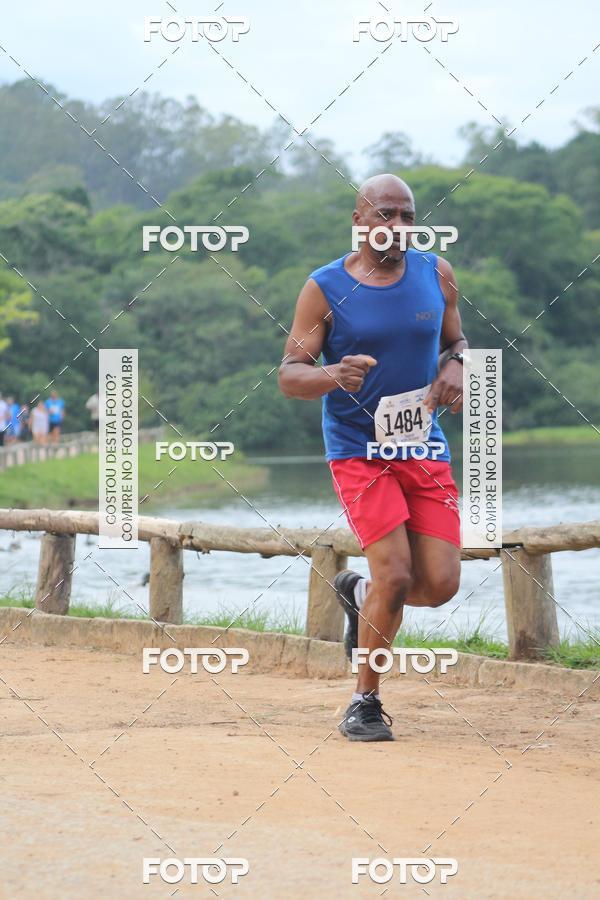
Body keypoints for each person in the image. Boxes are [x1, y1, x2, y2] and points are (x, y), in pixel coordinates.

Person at [278, 174, 467, 742]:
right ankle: (365, 701)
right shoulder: (325, 287)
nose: (398, 228)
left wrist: (457, 364)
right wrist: (332, 374)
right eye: (386, 215)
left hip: (422, 445)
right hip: (360, 453)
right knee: (398, 573)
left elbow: (457, 342)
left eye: (408, 216)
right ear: (360, 221)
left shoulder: (437, 274)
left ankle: (357, 594)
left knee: (439, 584)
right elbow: (289, 375)